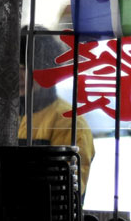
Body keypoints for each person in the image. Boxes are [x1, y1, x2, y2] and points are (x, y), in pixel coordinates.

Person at [18, 27, 95, 194]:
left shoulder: (70, 122)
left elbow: (66, 192)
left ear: (49, 71)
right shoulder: (4, 118)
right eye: (15, 67)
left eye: (28, 68)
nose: (19, 76)